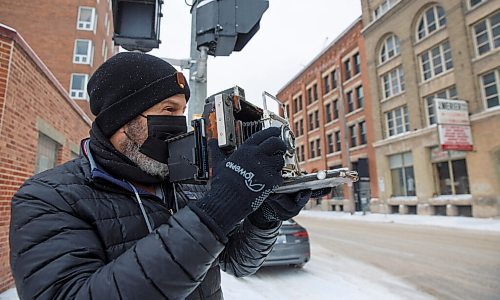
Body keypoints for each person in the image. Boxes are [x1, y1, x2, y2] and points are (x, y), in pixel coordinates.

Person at [9, 52, 313, 300]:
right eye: (168, 110)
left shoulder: (186, 184)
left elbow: (237, 263)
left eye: (182, 112)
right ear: (122, 118)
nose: (179, 123)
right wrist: (213, 215)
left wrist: (265, 218)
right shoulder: (47, 197)